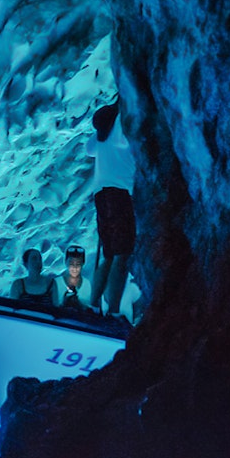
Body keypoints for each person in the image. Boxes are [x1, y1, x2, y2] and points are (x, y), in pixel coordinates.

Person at [86, 101, 136, 317]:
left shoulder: (98, 138)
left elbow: (89, 150)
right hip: (119, 194)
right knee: (122, 254)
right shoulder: (117, 129)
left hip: (101, 195)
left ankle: (94, 305)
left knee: (108, 254)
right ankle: (113, 312)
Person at [55, 245, 92, 310]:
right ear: (66, 262)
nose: (74, 267)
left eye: (78, 264)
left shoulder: (88, 285)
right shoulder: (55, 284)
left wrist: (79, 305)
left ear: (83, 263)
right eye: (71, 263)